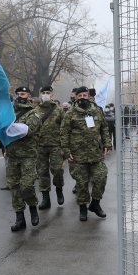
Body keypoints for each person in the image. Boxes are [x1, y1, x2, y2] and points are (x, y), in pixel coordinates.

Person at [60, 86, 112, 221]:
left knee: (101, 177)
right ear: (76, 97)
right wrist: (66, 151)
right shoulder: (70, 113)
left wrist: (107, 144)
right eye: (80, 96)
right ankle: (83, 208)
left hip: (96, 153)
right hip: (78, 156)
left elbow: (104, 128)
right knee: (82, 183)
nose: (83, 98)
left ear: (89, 96)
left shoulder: (97, 111)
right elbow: (64, 133)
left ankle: (95, 204)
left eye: (85, 95)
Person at [6, 86, 42, 231]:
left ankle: (33, 207)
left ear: (29, 96)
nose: (20, 96)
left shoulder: (34, 112)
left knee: (26, 185)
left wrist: (10, 126)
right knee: (14, 187)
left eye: (23, 94)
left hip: (28, 154)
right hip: (12, 154)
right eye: (18, 93)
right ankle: (19, 218)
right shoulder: (9, 112)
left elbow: (29, 129)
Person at [34, 85, 65, 210]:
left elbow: (64, 129)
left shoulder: (58, 110)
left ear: (52, 94)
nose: (46, 94)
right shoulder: (35, 110)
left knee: (57, 170)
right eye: (44, 92)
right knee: (42, 172)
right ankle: (45, 198)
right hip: (40, 146)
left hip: (55, 145)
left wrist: (64, 146)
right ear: (40, 94)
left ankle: (59, 188)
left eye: (48, 92)